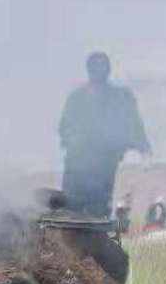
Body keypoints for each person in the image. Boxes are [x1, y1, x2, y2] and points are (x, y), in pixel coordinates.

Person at [58, 52, 151, 217]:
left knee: (99, 206)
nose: (99, 71)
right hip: (77, 163)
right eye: (95, 67)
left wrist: (142, 145)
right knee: (71, 206)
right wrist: (71, 141)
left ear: (108, 70)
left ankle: (96, 235)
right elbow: (65, 127)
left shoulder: (120, 97)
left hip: (104, 163)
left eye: (102, 67)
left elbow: (133, 121)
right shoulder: (77, 98)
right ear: (89, 70)